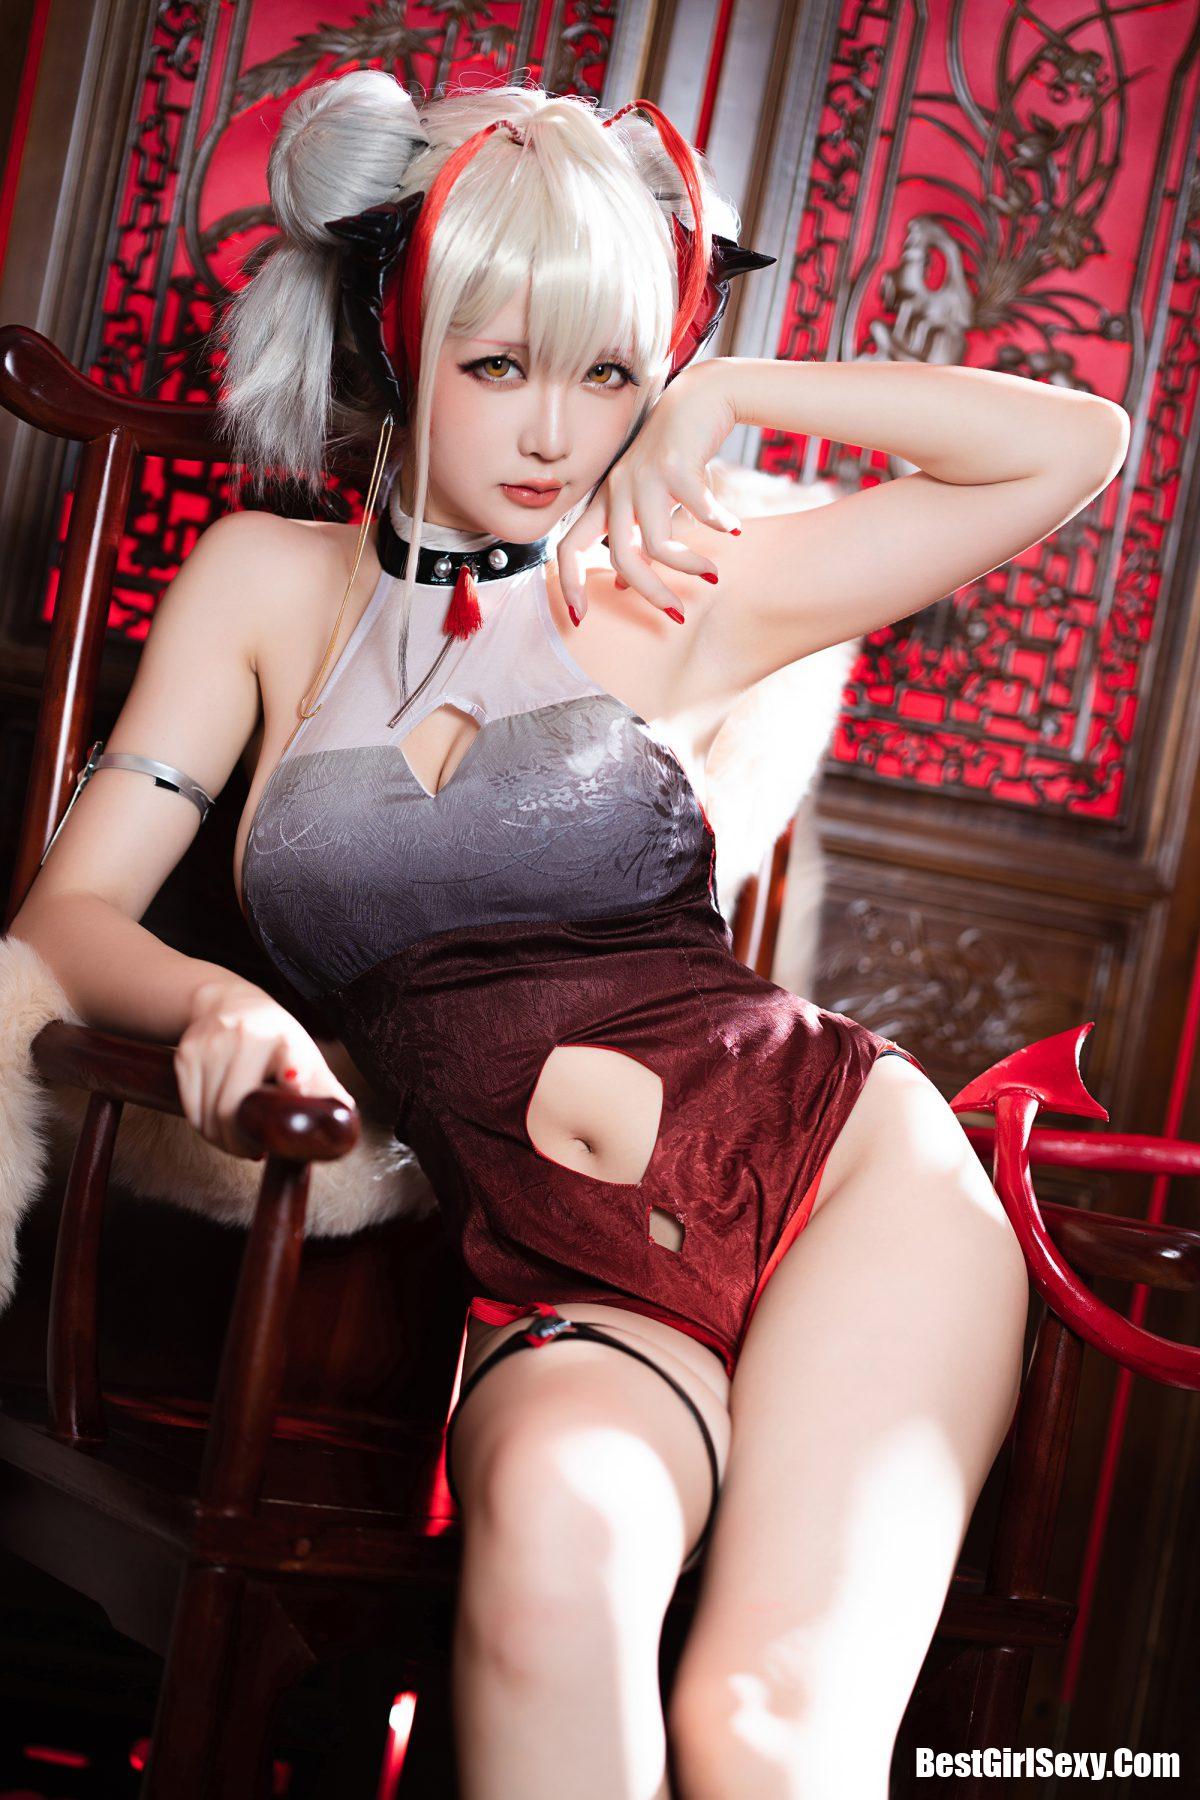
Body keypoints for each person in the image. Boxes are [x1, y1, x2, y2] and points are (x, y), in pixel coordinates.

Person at [12, 69, 1129, 1800]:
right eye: (500, 367)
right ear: (395, 341)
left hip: (847, 1182)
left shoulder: (676, 585)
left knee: (762, 1742)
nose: (555, 434)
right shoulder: (263, 583)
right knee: (549, 1561)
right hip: (576, 1270)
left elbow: (1075, 443)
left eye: (608, 374)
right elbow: (70, 914)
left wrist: (728, 392)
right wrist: (216, 1004)